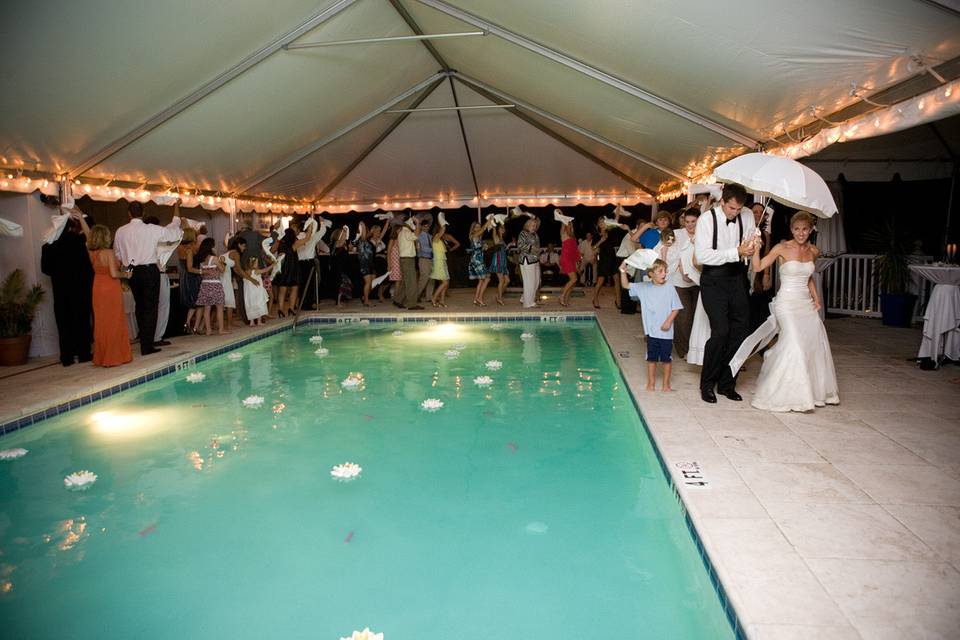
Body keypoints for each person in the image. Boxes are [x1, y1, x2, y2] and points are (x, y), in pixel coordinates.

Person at [730, 211, 839, 412]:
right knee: (795, 344)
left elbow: (808, 277)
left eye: (805, 229)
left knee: (812, 345)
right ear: (791, 229)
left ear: (810, 230)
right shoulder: (782, 248)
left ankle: (811, 392)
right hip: (786, 304)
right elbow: (758, 266)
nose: (801, 233)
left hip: (805, 304)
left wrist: (816, 297)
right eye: (797, 229)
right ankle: (786, 394)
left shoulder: (813, 251)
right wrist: (755, 248)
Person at [694, 182, 756, 403]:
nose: (736, 213)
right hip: (713, 279)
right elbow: (702, 256)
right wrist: (735, 251)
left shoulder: (747, 215)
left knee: (741, 331)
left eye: (739, 209)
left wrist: (752, 245)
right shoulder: (706, 220)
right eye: (732, 208)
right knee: (720, 331)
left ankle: (727, 383)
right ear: (722, 201)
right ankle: (707, 384)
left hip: (737, 277)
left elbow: (747, 245)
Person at [113, 201, 182, 355]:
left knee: (140, 306)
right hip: (150, 269)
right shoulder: (151, 229)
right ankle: (147, 345)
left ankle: (144, 341)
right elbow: (174, 228)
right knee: (150, 308)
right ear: (142, 213)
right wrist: (176, 206)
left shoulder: (120, 231)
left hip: (132, 270)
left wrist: (128, 270)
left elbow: (118, 254)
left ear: (129, 214)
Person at [620, 258, 683, 392]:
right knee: (651, 359)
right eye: (660, 271)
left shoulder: (669, 288)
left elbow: (676, 308)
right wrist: (622, 271)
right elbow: (626, 285)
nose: (664, 274)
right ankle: (651, 384)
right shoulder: (643, 287)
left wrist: (668, 321)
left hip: (666, 333)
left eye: (665, 271)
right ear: (650, 274)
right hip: (652, 332)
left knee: (667, 359)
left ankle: (666, 385)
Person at [41, 210, 93, 366]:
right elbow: (91, 243)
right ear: (71, 227)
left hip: (60, 291)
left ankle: (67, 357)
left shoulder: (47, 246)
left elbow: (45, 269)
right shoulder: (79, 242)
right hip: (80, 290)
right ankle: (84, 353)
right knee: (82, 321)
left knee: (63, 323)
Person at [87, 225, 132, 367]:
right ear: (105, 237)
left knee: (101, 322)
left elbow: (87, 236)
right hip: (110, 288)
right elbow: (113, 273)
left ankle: (102, 357)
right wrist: (126, 274)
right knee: (114, 321)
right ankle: (114, 357)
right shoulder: (108, 252)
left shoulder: (91, 252)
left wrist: (81, 218)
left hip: (97, 287)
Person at [146, 215, 179, 344]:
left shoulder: (142, 241)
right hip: (158, 274)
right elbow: (174, 226)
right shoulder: (160, 241)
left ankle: (149, 337)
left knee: (147, 307)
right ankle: (156, 337)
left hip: (144, 273)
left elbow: (131, 259)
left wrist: (128, 272)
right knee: (162, 306)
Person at [672, 209, 701, 359]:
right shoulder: (677, 234)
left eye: (693, 222)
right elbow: (675, 256)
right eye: (687, 222)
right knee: (684, 316)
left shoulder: (704, 233)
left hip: (699, 280)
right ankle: (683, 350)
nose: (690, 225)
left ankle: (695, 349)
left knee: (697, 316)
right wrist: (684, 273)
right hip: (680, 280)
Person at [194, 238, 227, 335]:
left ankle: (208, 330)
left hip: (205, 285)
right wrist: (222, 261)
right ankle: (221, 330)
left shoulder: (201, 260)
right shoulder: (214, 258)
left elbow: (202, 273)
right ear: (211, 247)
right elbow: (222, 270)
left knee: (207, 308)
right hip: (215, 284)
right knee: (219, 307)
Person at [429, 220, 461, 307]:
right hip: (438, 262)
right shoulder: (436, 237)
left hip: (442, 261)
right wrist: (442, 221)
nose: (442, 230)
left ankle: (442, 301)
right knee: (445, 282)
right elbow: (443, 229)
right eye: (441, 229)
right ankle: (434, 297)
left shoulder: (439, 239)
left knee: (446, 281)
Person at [397, 218, 422, 310]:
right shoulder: (406, 232)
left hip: (404, 259)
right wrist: (418, 222)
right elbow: (416, 235)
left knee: (406, 282)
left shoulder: (401, 233)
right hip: (407, 260)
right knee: (411, 282)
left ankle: (398, 300)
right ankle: (412, 304)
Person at [516, 217, 541, 308]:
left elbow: (538, 222)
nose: (534, 227)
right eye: (532, 225)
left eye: (535, 226)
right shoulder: (523, 233)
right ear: (527, 225)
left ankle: (525, 298)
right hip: (527, 260)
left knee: (536, 282)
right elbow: (520, 245)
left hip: (535, 260)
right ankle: (528, 303)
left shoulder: (535, 234)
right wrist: (532, 248)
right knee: (529, 282)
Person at [468, 219, 493, 306]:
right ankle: (479, 298)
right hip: (476, 260)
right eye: (477, 227)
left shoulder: (478, 238)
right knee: (486, 279)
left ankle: (476, 299)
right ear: (473, 229)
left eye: (479, 227)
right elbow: (483, 229)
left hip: (479, 259)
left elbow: (479, 248)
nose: (478, 228)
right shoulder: (474, 235)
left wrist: (484, 247)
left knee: (482, 280)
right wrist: (489, 220)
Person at [242, 257, 271, 326]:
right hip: (257, 292)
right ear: (252, 264)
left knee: (251, 305)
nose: (257, 264)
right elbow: (266, 270)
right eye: (256, 263)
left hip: (249, 294)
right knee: (259, 304)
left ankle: (252, 322)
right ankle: (259, 321)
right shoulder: (255, 271)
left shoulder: (245, 272)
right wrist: (273, 265)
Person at [558, 221, 580, 306]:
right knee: (574, 279)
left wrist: (577, 262)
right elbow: (562, 224)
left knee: (573, 281)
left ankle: (566, 300)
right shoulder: (563, 234)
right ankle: (562, 295)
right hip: (566, 259)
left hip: (572, 260)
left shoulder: (573, 236)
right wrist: (561, 215)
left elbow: (575, 250)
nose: (569, 225)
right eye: (568, 223)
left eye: (571, 224)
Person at [488, 223, 510, 306]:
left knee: (507, 281)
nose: (503, 229)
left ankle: (498, 295)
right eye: (501, 228)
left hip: (503, 261)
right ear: (498, 229)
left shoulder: (502, 239)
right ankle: (499, 298)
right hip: (498, 261)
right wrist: (493, 223)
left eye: (504, 228)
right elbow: (494, 230)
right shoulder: (496, 236)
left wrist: (510, 245)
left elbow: (503, 249)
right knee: (501, 281)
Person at [356, 223, 376, 307]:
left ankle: (365, 296)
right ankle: (366, 301)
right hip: (364, 263)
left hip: (370, 263)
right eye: (365, 231)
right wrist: (362, 225)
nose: (367, 232)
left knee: (373, 282)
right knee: (368, 282)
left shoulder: (368, 240)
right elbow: (364, 233)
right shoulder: (361, 239)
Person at [416, 219, 435, 303]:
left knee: (431, 278)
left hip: (431, 259)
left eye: (428, 226)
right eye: (425, 226)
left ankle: (429, 297)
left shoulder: (430, 236)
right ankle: (416, 295)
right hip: (423, 259)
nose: (426, 228)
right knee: (424, 278)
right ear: (421, 227)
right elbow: (423, 249)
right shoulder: (419, 236)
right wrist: (434, 250)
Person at [386, 225, 403, 305]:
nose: (401, 231)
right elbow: (388, 252)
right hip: (394, 261)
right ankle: (396, 298)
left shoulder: (399, 239)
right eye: (400, 229)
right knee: (398, 280)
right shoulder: (392, 239)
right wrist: (389, 264)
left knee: (399, 280)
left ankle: (397, 297)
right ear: (396, 230)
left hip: (399, 261)